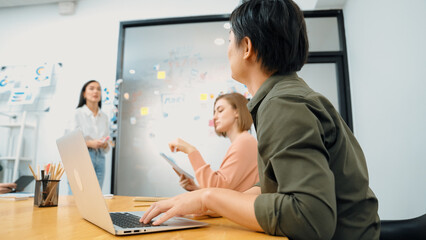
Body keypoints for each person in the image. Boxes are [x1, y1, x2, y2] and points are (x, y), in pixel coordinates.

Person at [140, 1, 380, 239]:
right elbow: (271, 189)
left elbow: (309, 219)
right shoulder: (283, 96)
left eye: (229, 39)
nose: (227, 50)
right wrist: (206, 203)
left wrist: (207, 197)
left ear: (246, 47)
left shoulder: (283, 104)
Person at [168, 92, 259, 192]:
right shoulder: (244, 140)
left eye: (220, 110)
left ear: (237, 112)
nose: (215, 117)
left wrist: (191, 150)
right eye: (214, 112)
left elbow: (216, 186)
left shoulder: (244, 142)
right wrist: (196, 189)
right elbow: (225, 190)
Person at [68, 80, 110, 189]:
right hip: (82, 155)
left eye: (98, 89)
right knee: (79, 196)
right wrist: (90, 143)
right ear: (84, 94)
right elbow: (69, 141)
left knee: (96, 197)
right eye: (91, 88)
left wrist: (105, 144)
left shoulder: (104, 117)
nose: (95, 91)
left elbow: (107, 143)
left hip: (100, 157)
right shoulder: (77, 114)